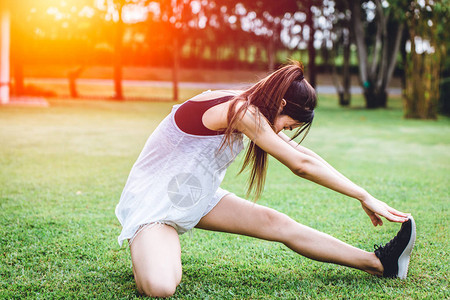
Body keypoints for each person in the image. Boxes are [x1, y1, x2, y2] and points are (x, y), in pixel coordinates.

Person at [115, 61, 416, 298]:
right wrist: (363, 196)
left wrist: (361, 192)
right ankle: (145, 244)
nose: (284, 132)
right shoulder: (241, 110)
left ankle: (380, 263)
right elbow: (300, 165)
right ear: (282, 104)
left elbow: (306, 155)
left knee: (278, 223)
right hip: (154, 202)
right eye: (288, 124)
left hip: (193, 194)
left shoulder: (249, 108)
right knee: (161, 287)